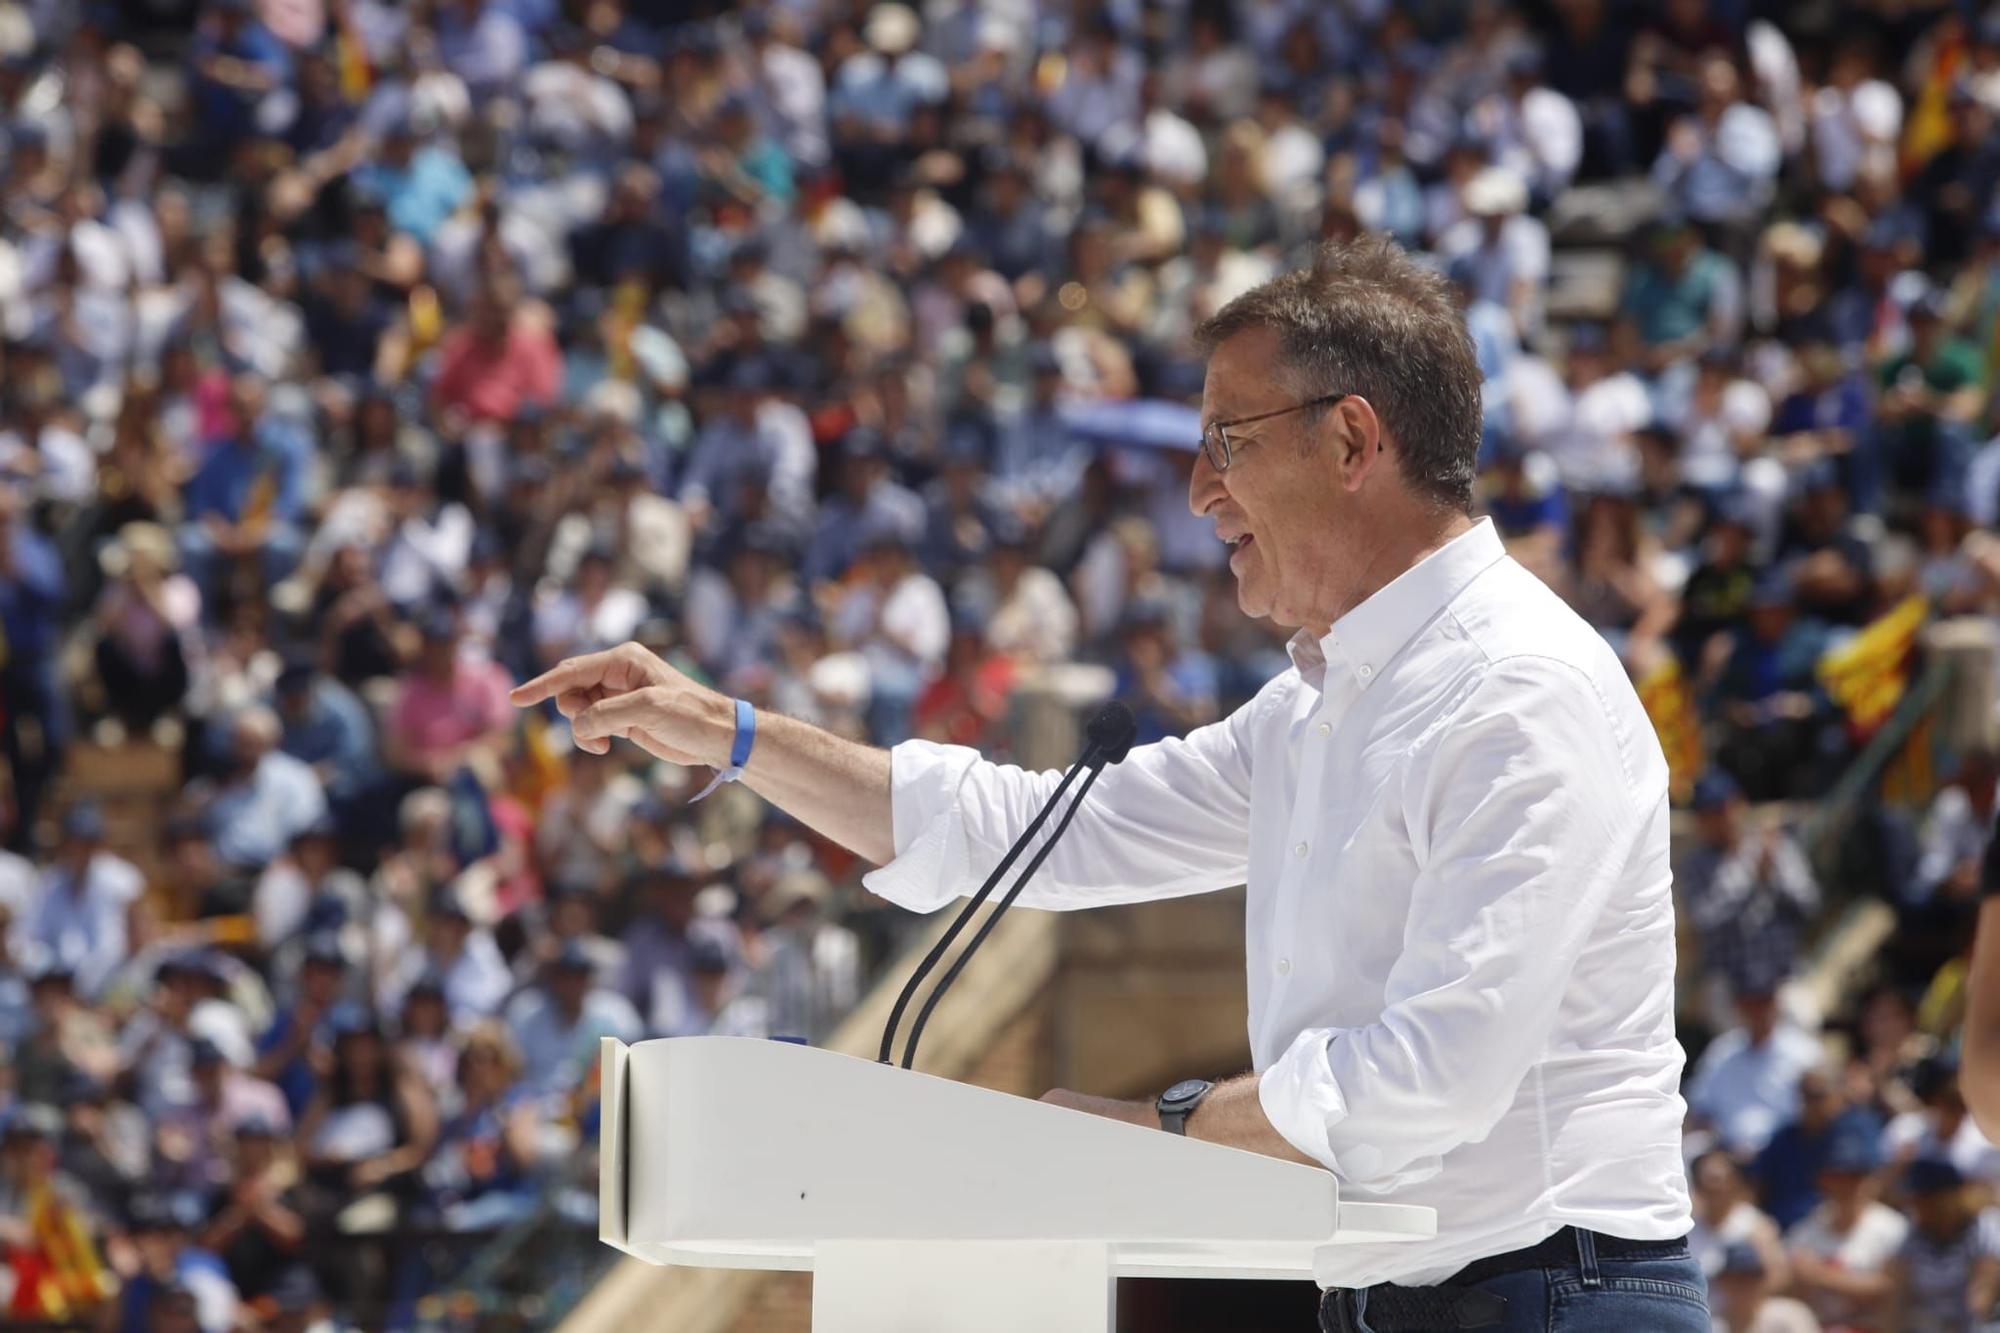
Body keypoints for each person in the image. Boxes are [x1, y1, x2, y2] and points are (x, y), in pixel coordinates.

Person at [513, 238, 1702, 1331]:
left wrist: (1160, 1126)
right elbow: (1025, 834)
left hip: (1556, 1297)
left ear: (1350, 441)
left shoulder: (1519, 695)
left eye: (1226, 440)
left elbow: (1428, 1079)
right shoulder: (1308, 708)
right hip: (1394, 1298)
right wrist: (729, 734)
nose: (1197, 490)